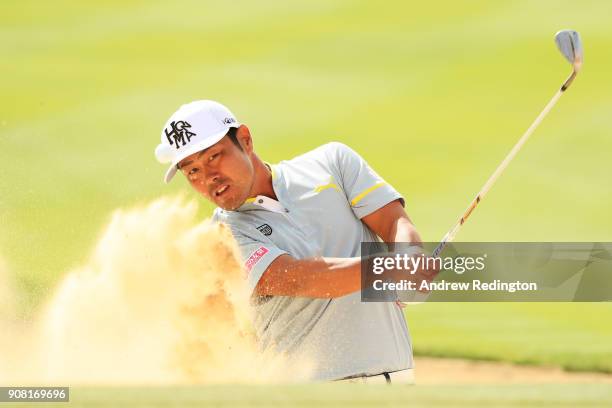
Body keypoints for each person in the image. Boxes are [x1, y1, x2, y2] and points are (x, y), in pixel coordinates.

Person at [155, 100, 435, 382]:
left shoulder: (332, 163)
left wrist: (411, 258)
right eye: (192, 171)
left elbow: (393, 222)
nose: (209, 177)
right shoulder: (221, 237)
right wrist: (389, 269)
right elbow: (300, 278)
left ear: (245, 140)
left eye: (214, 156)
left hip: (397, 384)